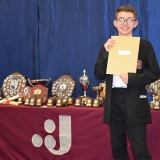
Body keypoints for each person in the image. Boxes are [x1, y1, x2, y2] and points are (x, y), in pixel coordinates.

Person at [94, 5, 160, 160]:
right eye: (121, 19)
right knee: (118, 149)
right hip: (113, 101)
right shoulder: (108, 46)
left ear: (135, 23)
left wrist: (132, 79)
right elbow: (98, 74)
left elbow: (155, 72)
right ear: (115, 23)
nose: (125, 23)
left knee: (140, 150)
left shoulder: (144, 46)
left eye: (129, 20)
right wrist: (105, 52)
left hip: (135, 101)